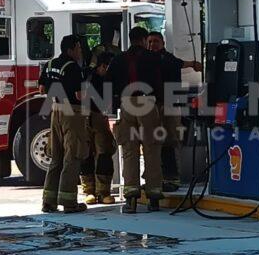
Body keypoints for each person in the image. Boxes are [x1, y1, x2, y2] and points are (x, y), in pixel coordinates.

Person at [109, 26, 165, 214]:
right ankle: (153, 198)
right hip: (147, 103)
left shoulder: (118, 59)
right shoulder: (153, 58)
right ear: (143, 40)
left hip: (126, 104)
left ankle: (131, 199)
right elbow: (160, 82)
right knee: (152, 149)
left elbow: (109, 82)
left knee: (129, 151)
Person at [37, 35, 90, 214]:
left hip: (55, 110)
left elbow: (42, 89)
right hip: (71, 113)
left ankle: (48, 202)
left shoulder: (49, 64)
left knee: (56, 156)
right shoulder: (73, 67)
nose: (80, 51)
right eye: (79, 48)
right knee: (72, 156)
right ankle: (69, 202)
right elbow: (79, 95)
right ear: (71, 49)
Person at [147, 32, 203, 191]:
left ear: (163, 43)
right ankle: (155, 178)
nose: (152, 45)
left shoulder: (168, 59)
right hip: (151, 105)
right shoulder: (145, 60)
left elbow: (179, 63)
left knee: (171, 141)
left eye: (156, 41)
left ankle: (172, 177)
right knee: (153, 143)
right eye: (149, 42)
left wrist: (193, 64)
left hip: (170, 105)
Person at [79, 51, 117, 205]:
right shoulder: (87, 76)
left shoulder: (107, 79)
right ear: (102, 66)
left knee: (104, 153)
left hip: (99, 117)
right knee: (86, 154)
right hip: (86, 117)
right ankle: (89, 191)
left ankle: (103, 192)